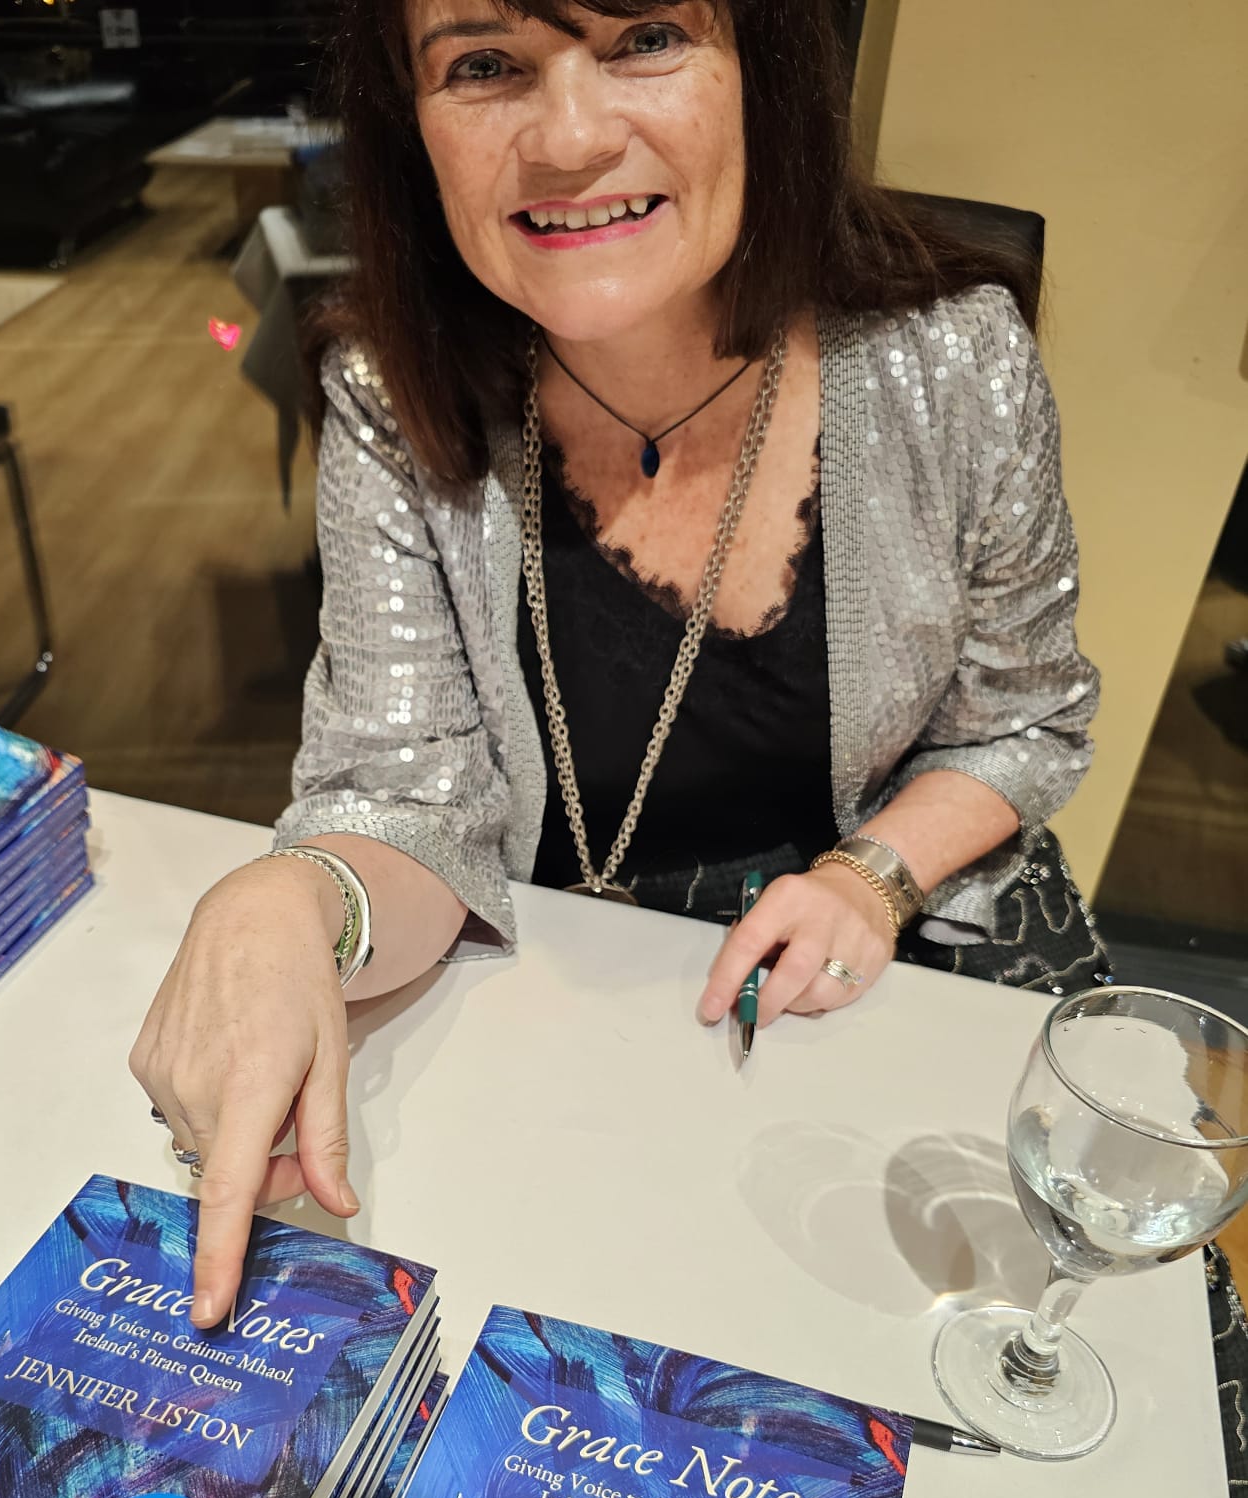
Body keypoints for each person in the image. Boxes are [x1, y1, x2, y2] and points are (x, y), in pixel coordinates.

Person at [132, 0, 1103, 1326]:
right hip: (562, 970)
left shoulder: (954, 356)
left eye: (647, 38)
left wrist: (872, 877)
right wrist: (294, 897)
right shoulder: (388, 391)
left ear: (765, 75)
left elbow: (1026, 722)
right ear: (411, 126)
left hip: (892, 946)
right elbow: (409, 805)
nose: (570, 138)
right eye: (484, 66)